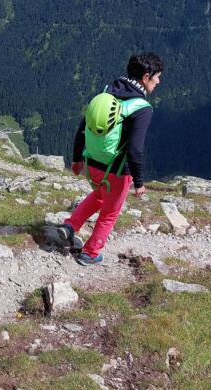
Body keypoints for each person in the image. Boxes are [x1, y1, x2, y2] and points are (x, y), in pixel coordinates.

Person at [59, 52, 164, 265]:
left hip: (91, 163)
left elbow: (83, 127)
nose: (158, 81)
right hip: (115, 171)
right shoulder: (142, 108)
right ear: (145, 77)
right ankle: (90, 253)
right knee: (109, 213)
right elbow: (135, 150)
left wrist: (76, 158)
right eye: (157, 77)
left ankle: (70, 226)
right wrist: (139, 182)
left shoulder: (107, 93)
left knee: (99, 195)